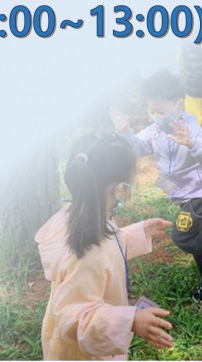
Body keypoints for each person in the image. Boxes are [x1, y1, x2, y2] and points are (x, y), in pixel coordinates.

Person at [36, 132, 174, 360]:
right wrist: (130, 320)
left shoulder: (80, 217)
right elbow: (76, 317)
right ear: (119, 189)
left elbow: (107, 247)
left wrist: (139, 232)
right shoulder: (89, 252)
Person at [110, 71, 202, 304]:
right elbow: (136, 148)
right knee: (193, 235)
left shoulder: (191, 129)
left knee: (183, 236)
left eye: (161, 111)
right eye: (152, 111)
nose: (156, 116)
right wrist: (125, 131)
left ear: (178, 106)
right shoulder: (155, 131)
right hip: (180, 194)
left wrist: (192, 144)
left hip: (200, 192)